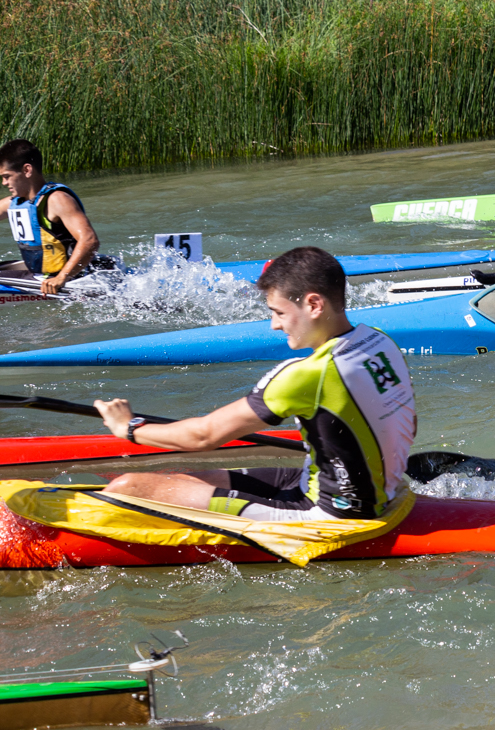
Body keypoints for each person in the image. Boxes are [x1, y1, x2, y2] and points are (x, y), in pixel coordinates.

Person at [88, 247, 417, 521]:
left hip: (325, 514)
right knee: (180, 480)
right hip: (372, 492)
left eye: (279, 312)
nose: (274, 325)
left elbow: (204, 435)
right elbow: (408, 425)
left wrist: (129, 428)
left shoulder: (306, 374)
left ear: (314, 305)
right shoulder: (379, 341)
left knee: (127, 487)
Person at [1, 137, 113, 295]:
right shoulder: (15, 203)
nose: (4, 183)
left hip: (69, 279)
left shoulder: (57, 200)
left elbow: (89, 241)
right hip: (39, 275)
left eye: (7, 176)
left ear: (27, 170)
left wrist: (61, 278)